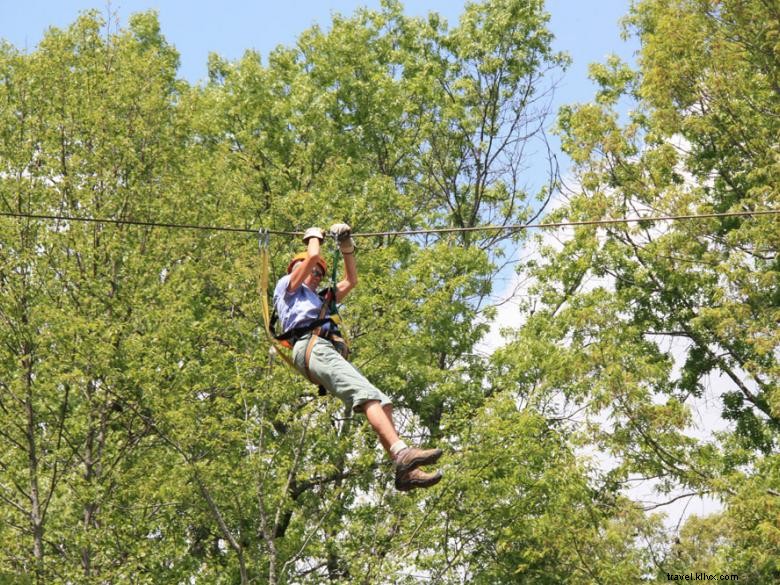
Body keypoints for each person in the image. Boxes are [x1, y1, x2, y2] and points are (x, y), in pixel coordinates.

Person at [273, 223, 442, 491]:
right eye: (312, 270)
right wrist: (314, 235)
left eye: (320, 273)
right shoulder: (288, 289)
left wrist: (346, 245)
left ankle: (406, 470)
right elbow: (313, 256)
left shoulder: (320, 300)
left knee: (383, 402)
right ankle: (402, 452)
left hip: (322, 348)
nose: (317, 274)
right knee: (366, 395)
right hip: (311, 346)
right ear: (296, 268)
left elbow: (351, 280)